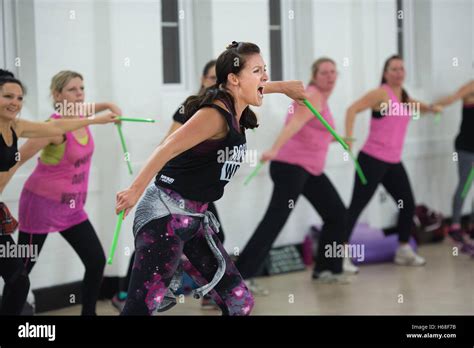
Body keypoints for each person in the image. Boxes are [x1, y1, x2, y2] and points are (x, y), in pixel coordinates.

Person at [115, 41, 307, 315]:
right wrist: (134, 190)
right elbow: (167, 146)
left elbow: (253, 87)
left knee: (239, 302)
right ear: (233, 78)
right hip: (164, 216)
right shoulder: (214, 115)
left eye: (265, 70)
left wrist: (283, 87)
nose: (265, 77)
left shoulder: (236, 108)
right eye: (257, 71)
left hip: (195, 219)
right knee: (138, 310)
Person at [2, 70, 121, 315]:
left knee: (96, 260)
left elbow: (85, 111)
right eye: (72, 90)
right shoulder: (52, 129)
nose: (79, 94)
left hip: (72, 209)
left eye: (82, 89)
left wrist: (108, 105)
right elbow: (16, 158)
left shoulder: (80, 116)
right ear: (57, 95)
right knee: (20, 275)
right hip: (41, 206)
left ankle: (89, 314)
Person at [111, 60, 224, 311]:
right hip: (179, 187)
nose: (215, 82)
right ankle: (126, 294)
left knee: (206, 239)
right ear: (202, 79)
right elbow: (169, 142)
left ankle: (209, 292)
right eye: (211, 77)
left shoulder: (225, 111)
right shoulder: (193, 107)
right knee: (153, 242)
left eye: (220, 78)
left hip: (200, 187)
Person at [235, 57, 349, 289]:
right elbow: (294, 124)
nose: (330, 76)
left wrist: (342, 140)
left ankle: (326, 268)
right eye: (324, 72)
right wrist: (274, 149)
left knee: (337, 214)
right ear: (314, 76)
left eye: (333, 72)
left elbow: (314, 132)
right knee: (274, 221)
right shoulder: (314, 95)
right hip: (291, 167)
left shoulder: (319, 98)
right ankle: (240, 278)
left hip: (308, 169)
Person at [343, 55, 442, 270]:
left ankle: (403, 249)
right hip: (371, 159)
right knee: (357, 206)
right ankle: (340, 254)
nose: (398, 72)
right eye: (394, 69)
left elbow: (420, 106)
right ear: (386, 73)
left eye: (401, 69)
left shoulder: (404, 97)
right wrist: (348, 138)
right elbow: (352, 109)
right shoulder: (381, 93)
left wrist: (433, 108)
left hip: (393, 162)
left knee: (407, 203)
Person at [434, 80, 474, 253]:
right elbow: (453, 98)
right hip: (466, 147)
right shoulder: (471, 87)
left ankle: (471, 227)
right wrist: (434, 106)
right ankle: (455, 227)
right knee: (464, 186)